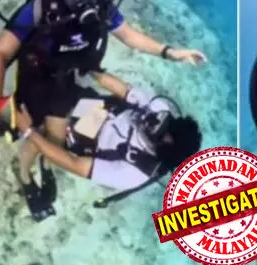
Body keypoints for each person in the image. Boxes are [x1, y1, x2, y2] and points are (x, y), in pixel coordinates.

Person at [0, 0, 206, 218]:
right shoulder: (43, 6)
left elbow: (130, 36)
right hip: (37, 76)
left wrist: (168, 53)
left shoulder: (103, 10)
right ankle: (24, 174)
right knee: (37, 131)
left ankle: (41, 162)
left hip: (67, 81)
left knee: (53, 139)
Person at [13, 71, 203, 220]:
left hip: (90, 141)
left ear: (162, 149)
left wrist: (29, 131)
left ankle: (24, 174)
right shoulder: (161, 110)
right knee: (57, 104)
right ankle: (46, 160)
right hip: (101, 112)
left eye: (160, 132)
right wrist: (90, 66)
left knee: (49, 128)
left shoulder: (134, 172)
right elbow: (123, 89)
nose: (154, 122)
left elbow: (74, 164)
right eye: (166, 122)